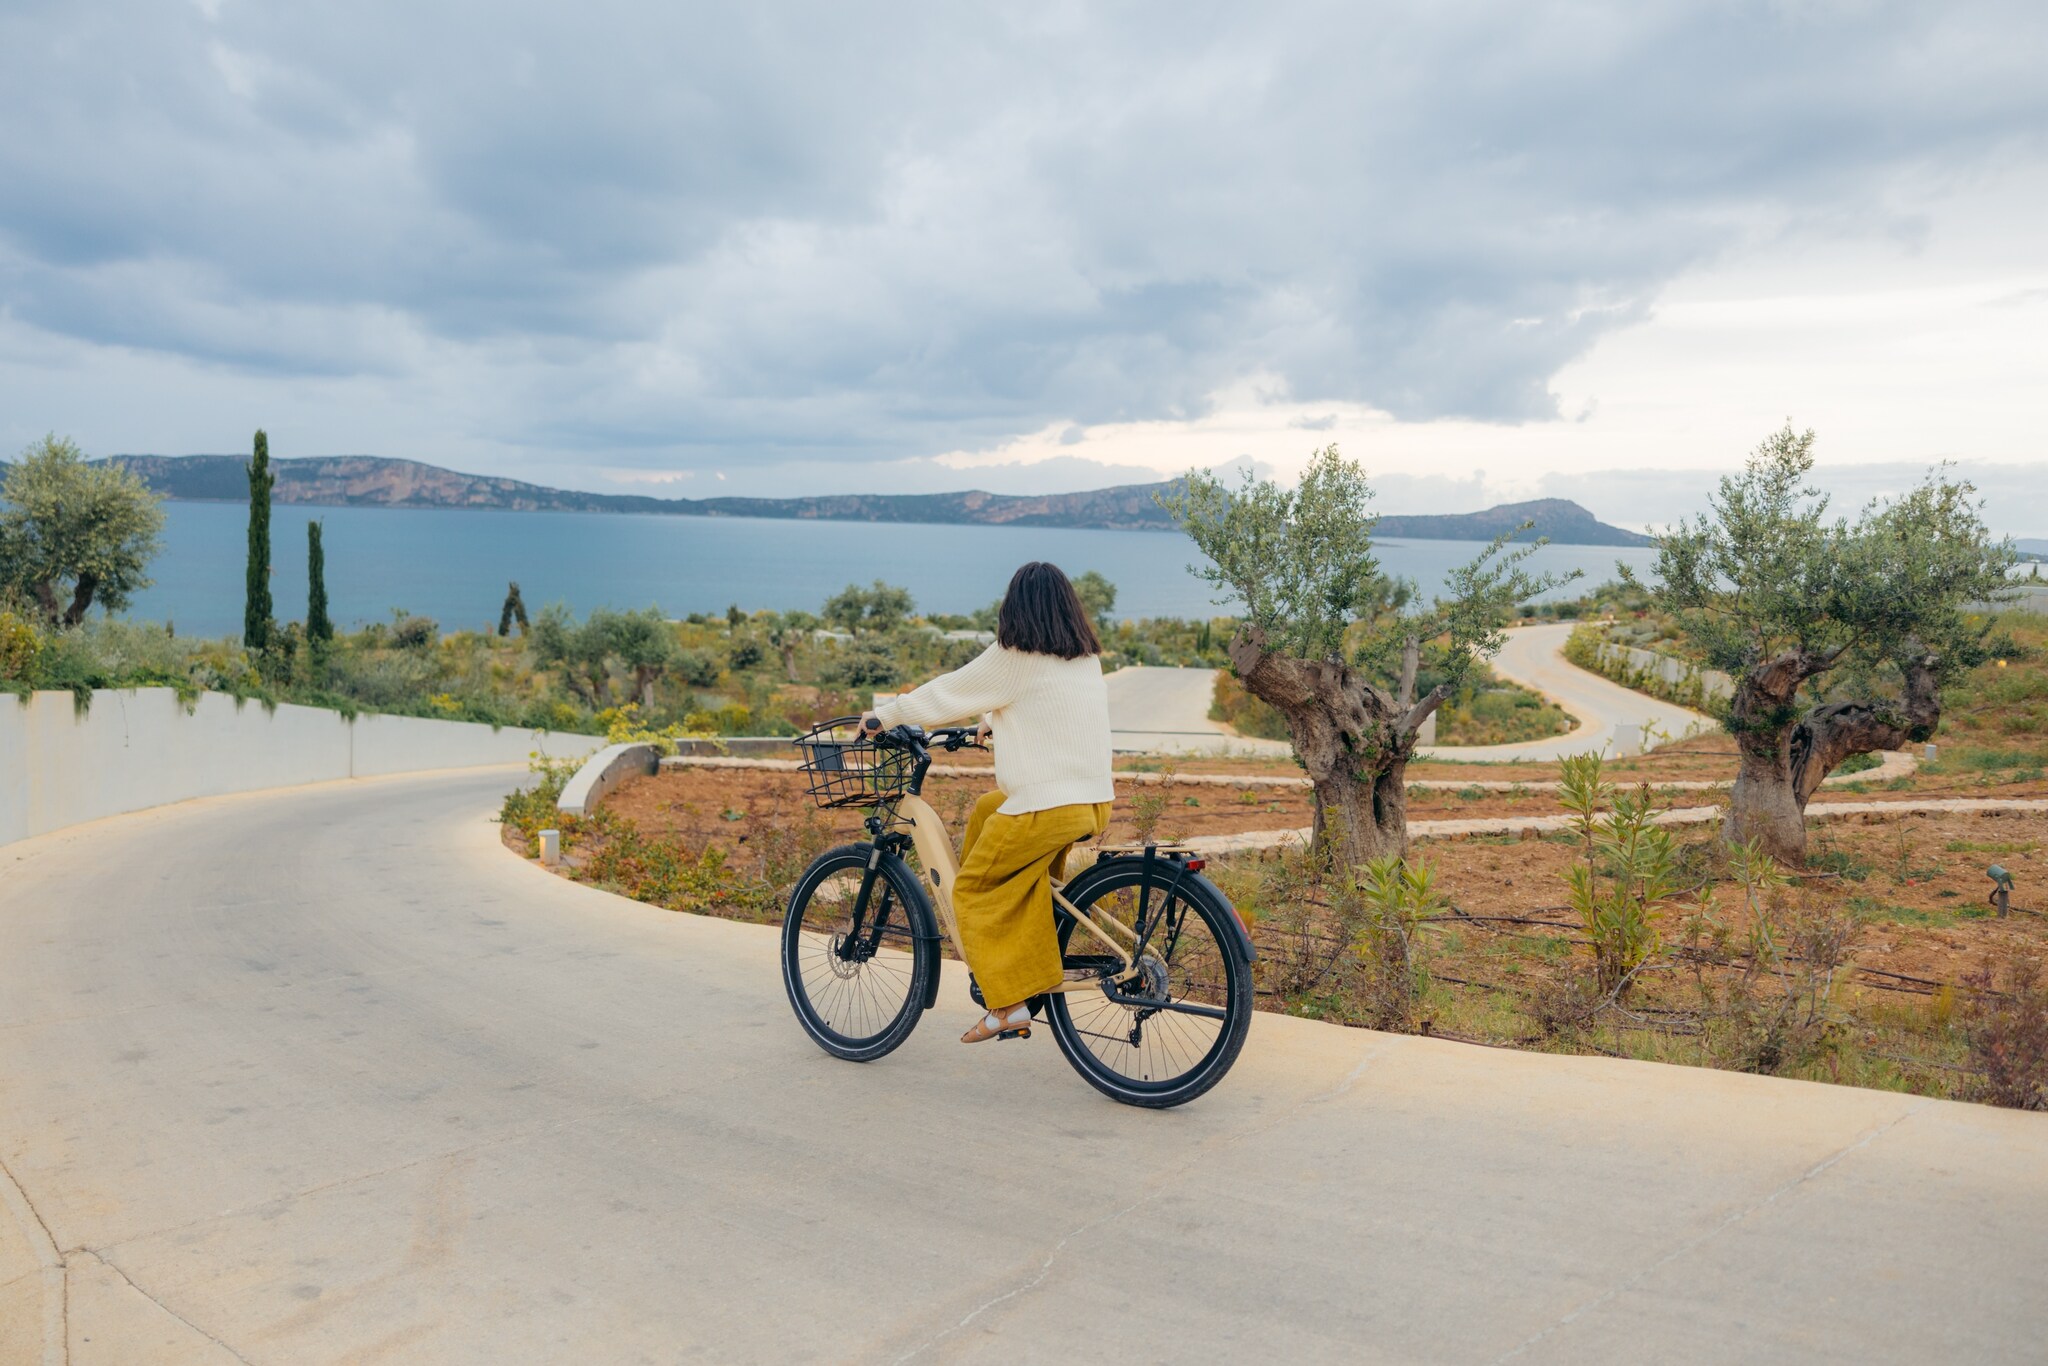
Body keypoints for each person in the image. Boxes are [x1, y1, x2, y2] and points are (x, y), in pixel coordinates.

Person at [862, 562, 1114, 1043]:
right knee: (985, 810)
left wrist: (884, 716)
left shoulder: (1014, 656)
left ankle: (1009, 1005)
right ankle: (1018, 956)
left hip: (1045, 807)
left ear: (1015, 608)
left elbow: (948, 691)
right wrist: (994, 720)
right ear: (1068, 608)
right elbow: (1052, 710)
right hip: (1090, 801)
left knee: (973, 893)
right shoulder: (1083, 658)